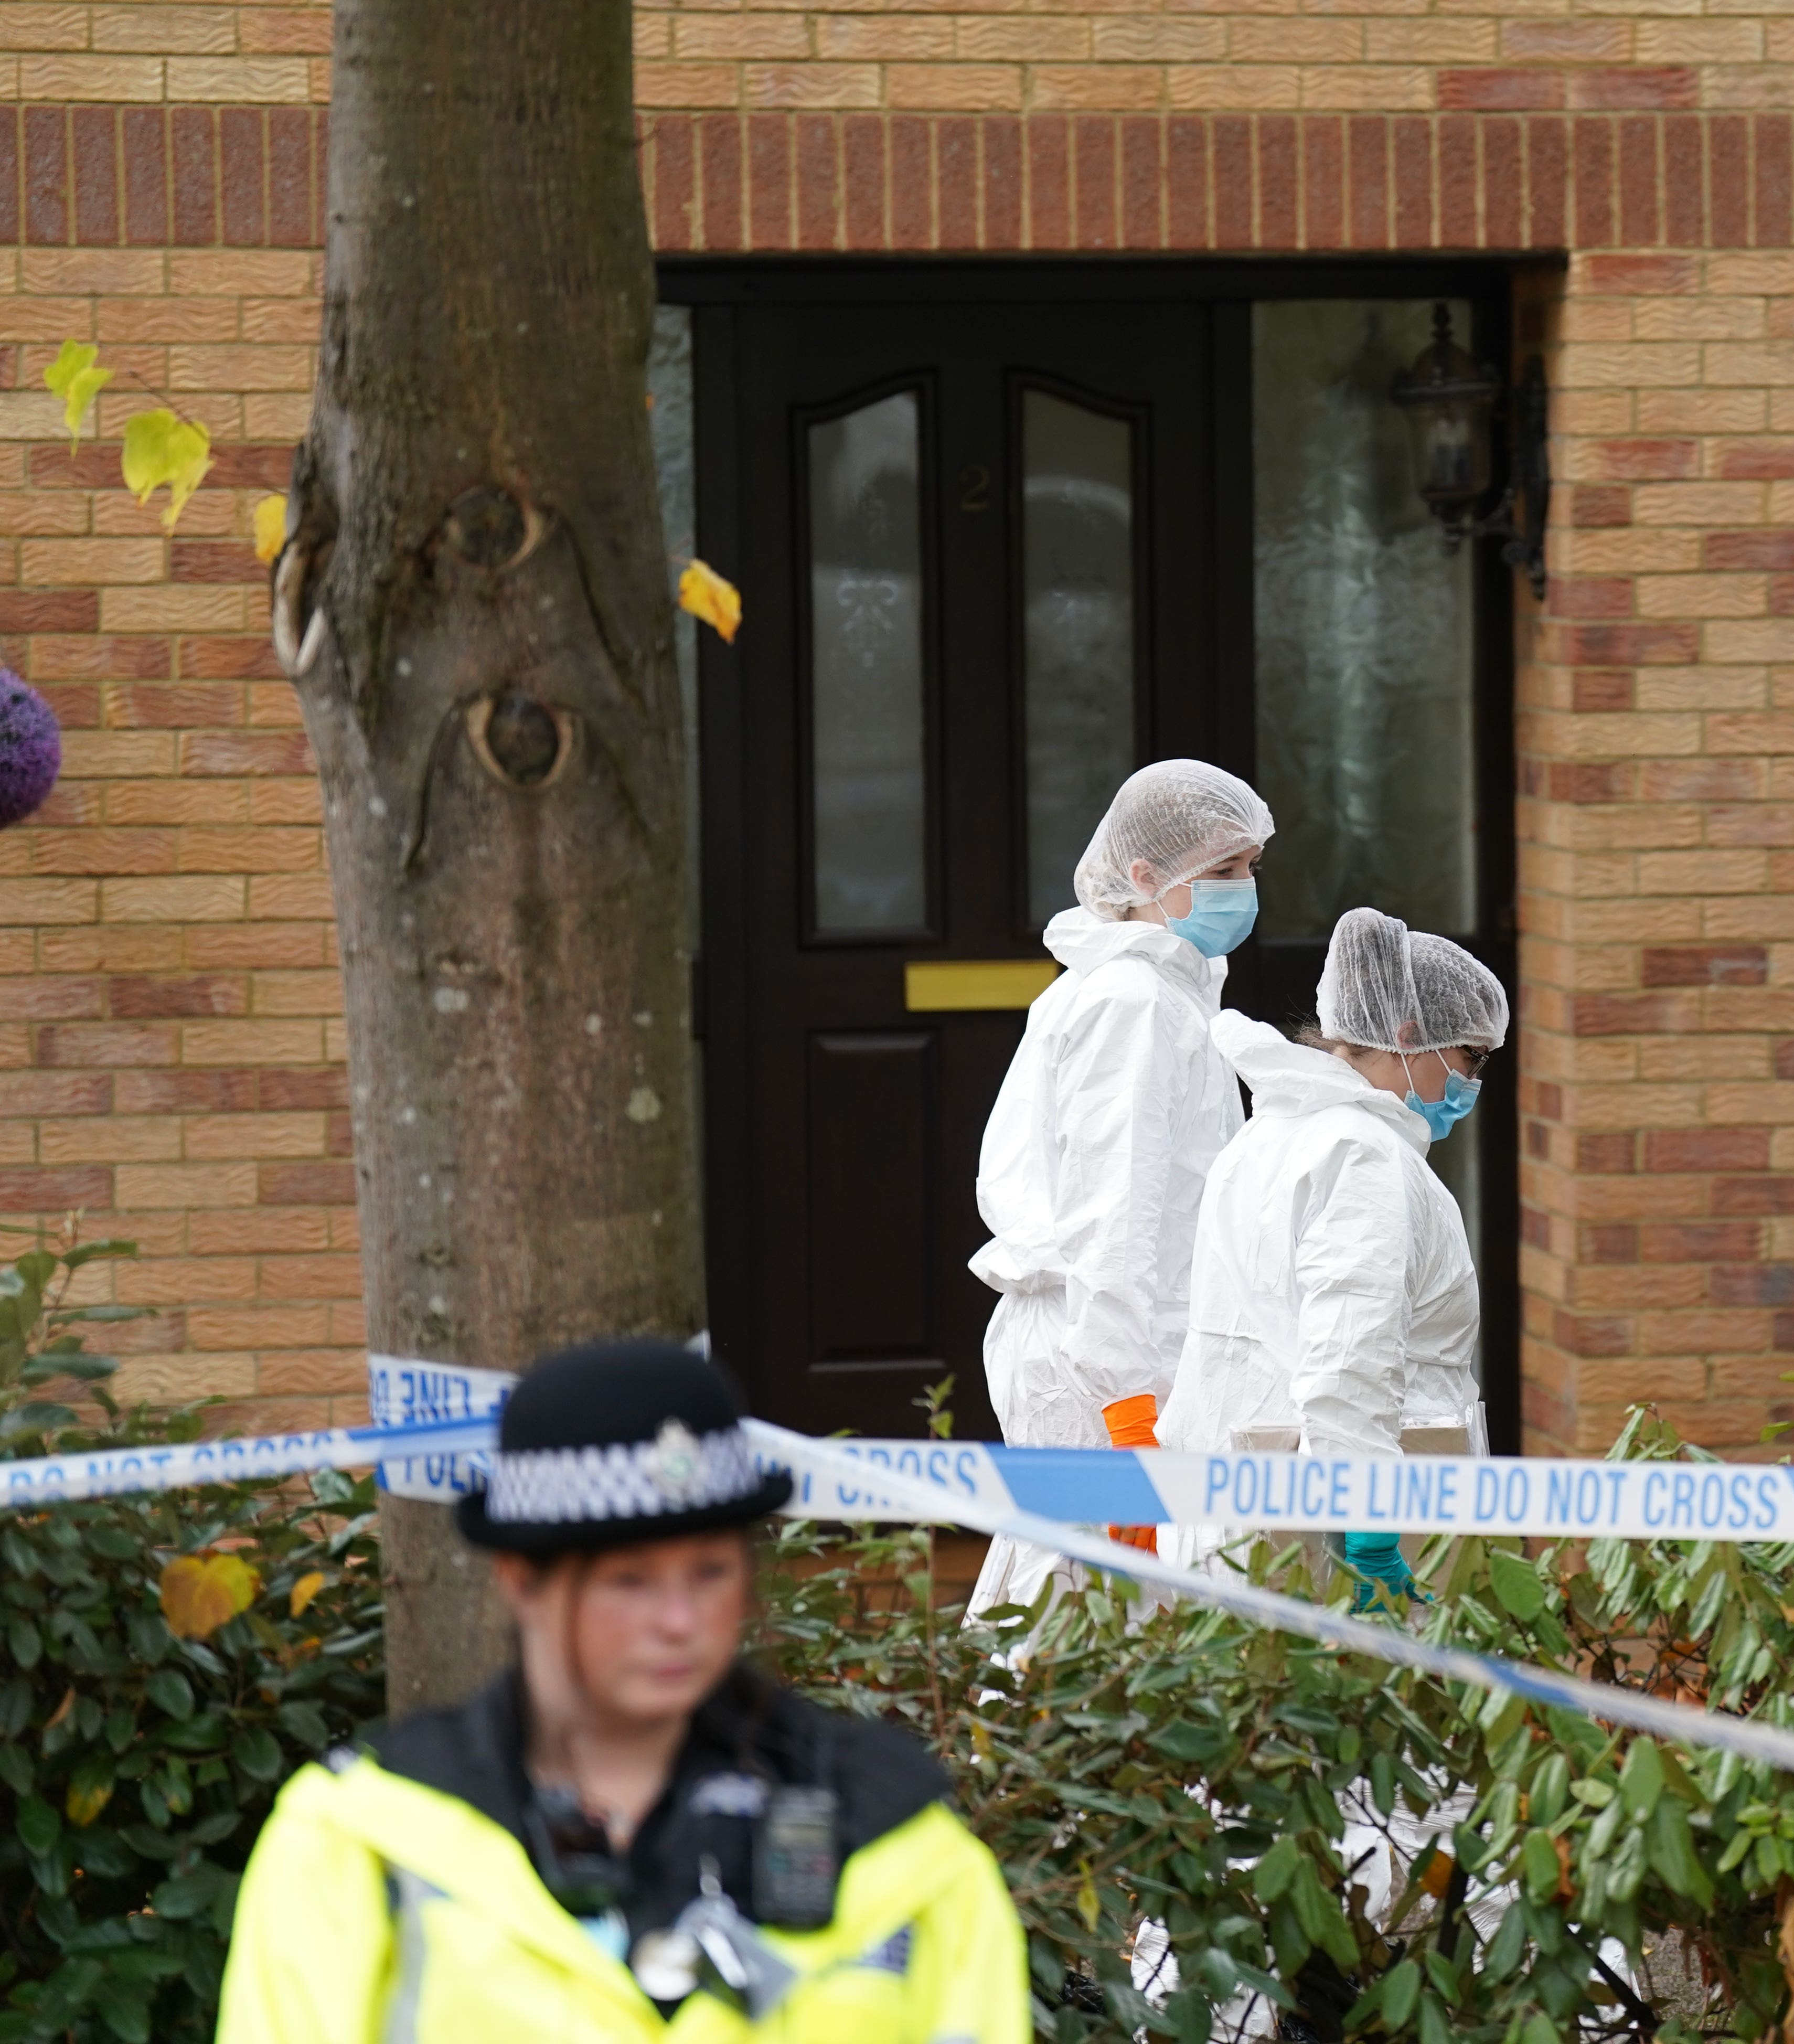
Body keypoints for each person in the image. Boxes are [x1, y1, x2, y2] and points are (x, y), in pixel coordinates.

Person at [215, 1338, 1029, 2042]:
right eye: (629, 1581)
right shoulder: (365, 1840)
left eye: (709, 1572)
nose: (679, 1621)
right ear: (520, 1581)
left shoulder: (898, 1838)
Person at [968, 759, 1274, 1618]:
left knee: (1094, 1617)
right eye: (1222, 870)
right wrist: (1129, 1413)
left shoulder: (1158, 995)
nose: (1244, 889)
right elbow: (1114, 1219)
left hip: (1118, 1353)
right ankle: (986, 1755)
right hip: (1101, 1363)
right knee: (1078, 1618)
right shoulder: (1133, 1003)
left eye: (1251, 866)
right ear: (1145, 877)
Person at [1160, 907, 1508, 1606]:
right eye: (1470, 1059)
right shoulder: (1363, 1157)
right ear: (1410, 1037)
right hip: (1342, 1512)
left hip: (1235, 1489)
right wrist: (1374, 1532)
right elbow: (1352, 1356)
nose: (1471, 1084)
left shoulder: (1270, 1138)